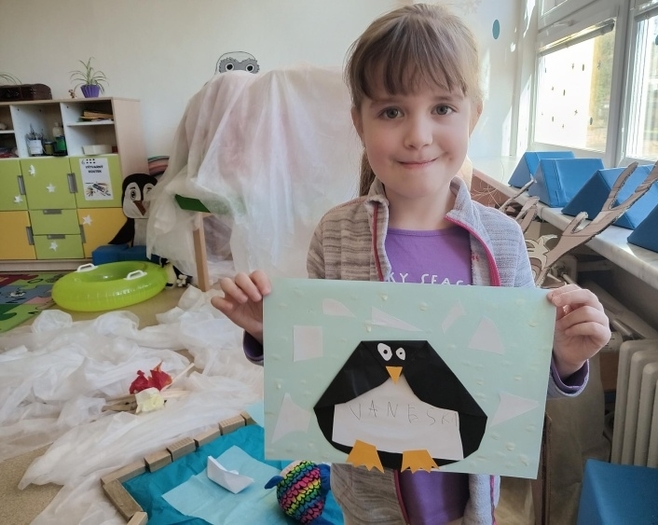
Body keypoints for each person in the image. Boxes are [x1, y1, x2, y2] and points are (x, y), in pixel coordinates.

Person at [212, 4, 611, 524]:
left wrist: (562, 359)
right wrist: (274, 333)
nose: (418, 134)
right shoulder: (336, 234)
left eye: (442, 107)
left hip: (468, 500)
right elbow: (321, 369)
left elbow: (518, 383)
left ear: (474, 115)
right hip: (368, 497)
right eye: (391, 111)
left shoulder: (503, 241)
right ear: (359, 122)